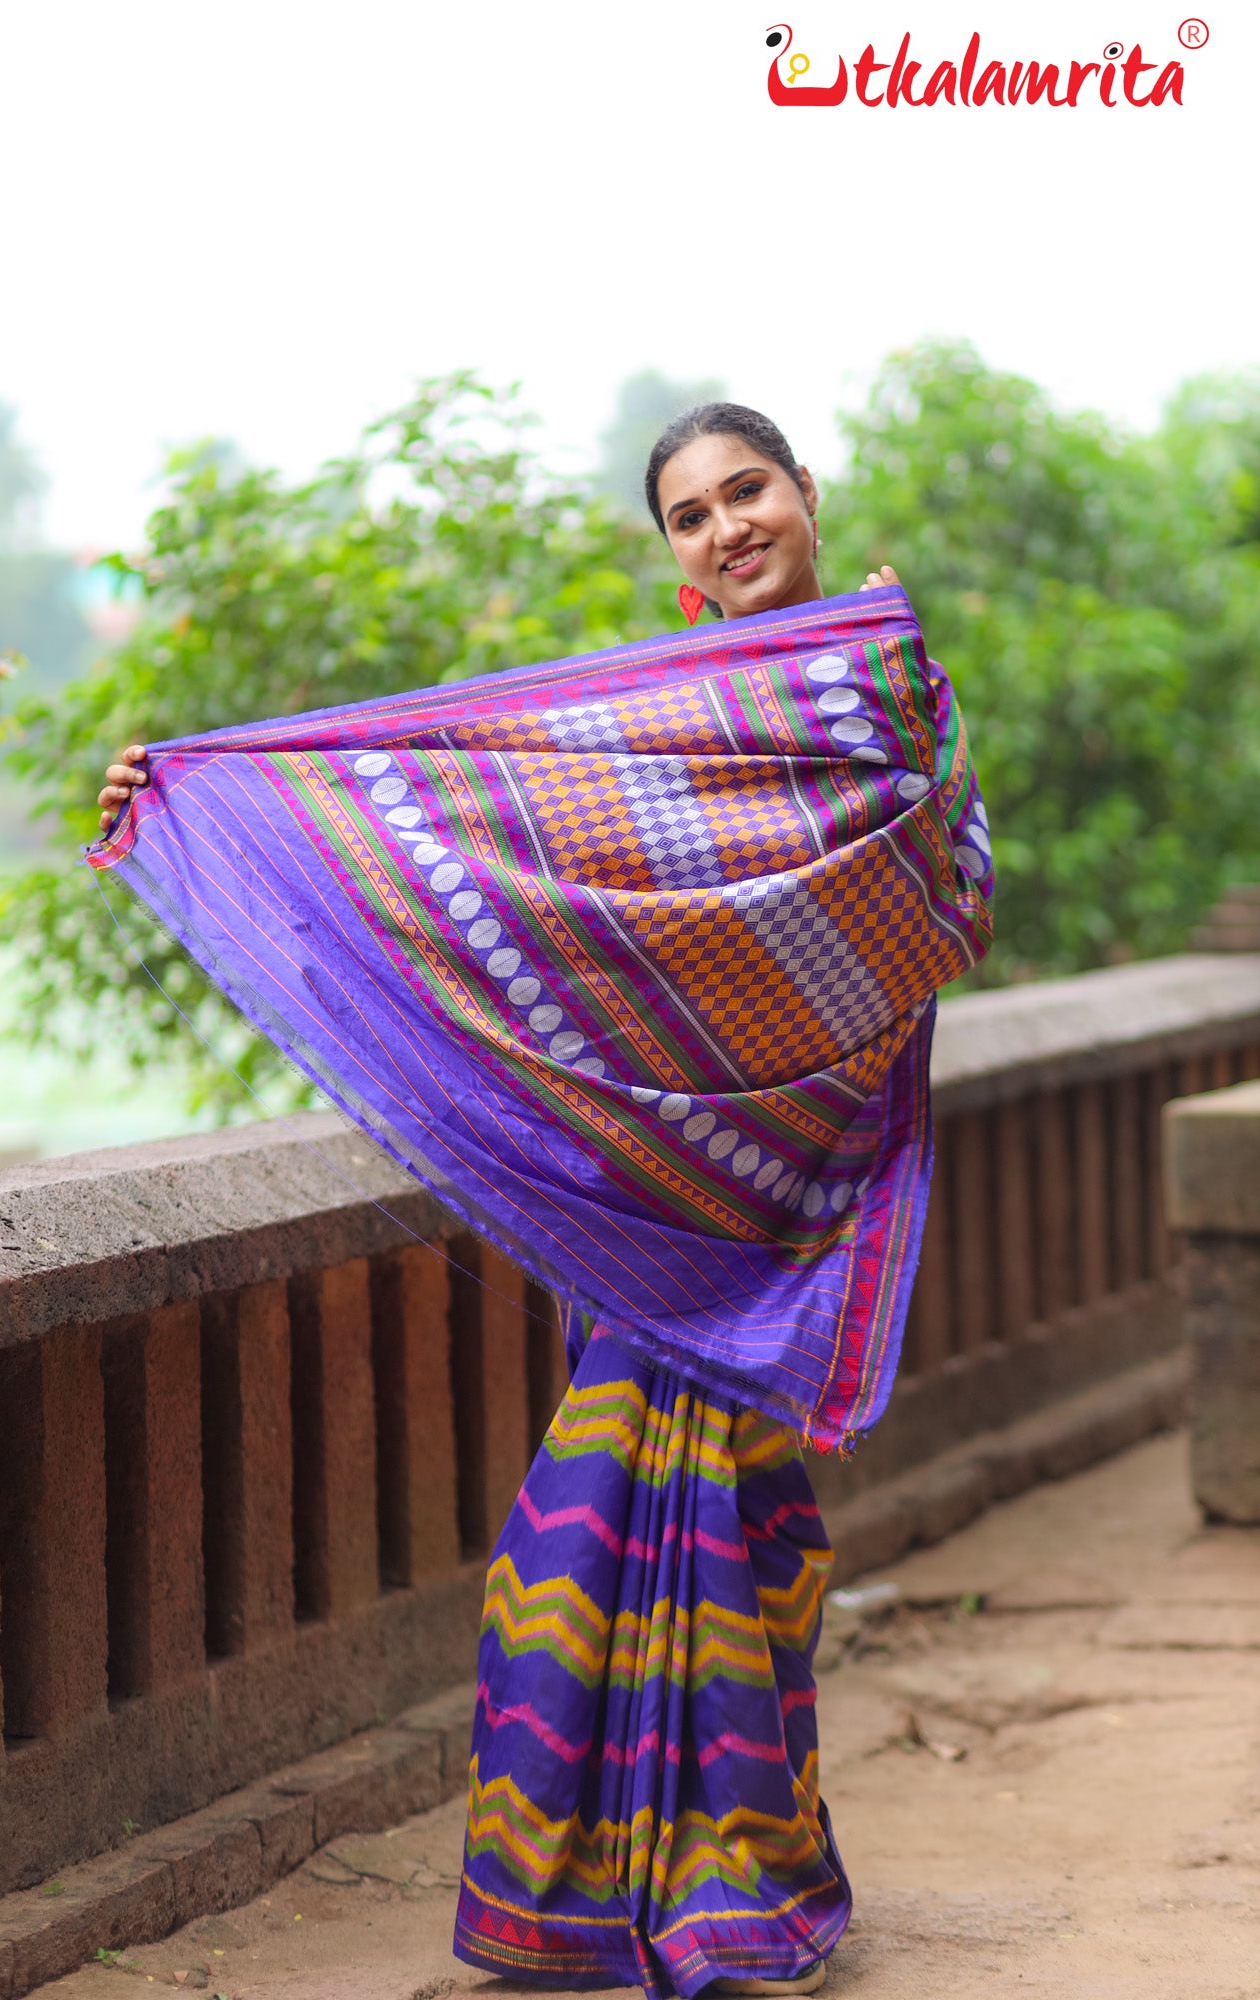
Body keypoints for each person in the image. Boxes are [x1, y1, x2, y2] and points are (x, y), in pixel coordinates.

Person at [95, 404, 976, 2000]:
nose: (724, 529)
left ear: (804, 493)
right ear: (673, 558)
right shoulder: (640, 727)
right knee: (567, 1574)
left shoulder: (882, 690)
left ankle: (738, 1904)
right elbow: (482, 861)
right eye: (690, 516)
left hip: (772, 1217)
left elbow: (931, 901)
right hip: (650, 1221)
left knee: (732, 1546)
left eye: (746, 491)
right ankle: (607, 1907)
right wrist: (207, 805)